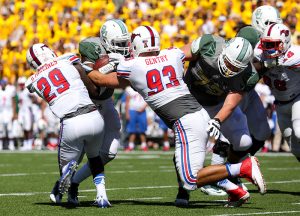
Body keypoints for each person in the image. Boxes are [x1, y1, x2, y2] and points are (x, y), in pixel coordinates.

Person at [87, 25, 266, 208]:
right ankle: (235, 191)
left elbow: (101, 79)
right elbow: (175, 56)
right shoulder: (172, 55)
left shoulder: (133, 66)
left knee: (190, 178)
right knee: (191, 169)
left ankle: (243, 167)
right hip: (197, 112)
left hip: (187, 121)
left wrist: (83, 67)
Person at [177, 35, 262, 206]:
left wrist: (217, 120)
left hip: (218, 103)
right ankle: (183, 190)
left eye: (235, 67)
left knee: (244, 141)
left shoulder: (249, 75)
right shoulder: (209, 44)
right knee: (190, 151)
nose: (229, 69)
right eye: (229, 63)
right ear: (224, 51)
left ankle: (225, 177)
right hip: (190, 100)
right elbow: (177, 56)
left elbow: (231, 102)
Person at [25, 43, 108, 208]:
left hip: (71, 121)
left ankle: (67, 180)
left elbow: (34, 85)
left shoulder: (32, 81)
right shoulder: (68, 59)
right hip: (94, 115)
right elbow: (86, 79)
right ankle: (102, 196)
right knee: (94, 158)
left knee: (65, 169)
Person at [66, 19, 130, 207]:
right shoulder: (91, 47)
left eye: (124, 43)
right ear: (106, 40)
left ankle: (74, 182)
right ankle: (74, 188)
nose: (124, 48)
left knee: (109, 153)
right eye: (119, 44)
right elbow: (94, 86)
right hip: (88, 104)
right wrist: (112, 66)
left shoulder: (124, 53)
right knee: (77, 154)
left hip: (107, 103)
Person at [255, 23, 300, 161]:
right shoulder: (260, 54)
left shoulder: (295, 55)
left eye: (273, 44)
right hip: (280, 105)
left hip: (297, 98)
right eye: (266, 44)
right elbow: (253, 64)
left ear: (285, 42)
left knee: (299, 132)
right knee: (295, 149)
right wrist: (264, 64)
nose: (268, 49)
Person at [125, 86, 148, 151]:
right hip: (132, 110)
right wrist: (127, 113)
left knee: (142, 129)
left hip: (142, 111)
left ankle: (144, 145)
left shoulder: (144, 86)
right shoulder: (129, 89)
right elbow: (127, 101)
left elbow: (148, 99)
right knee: (132, 129)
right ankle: (131, 145)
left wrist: (143, 107)